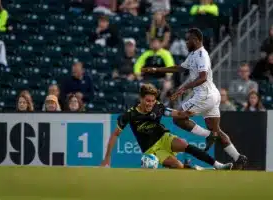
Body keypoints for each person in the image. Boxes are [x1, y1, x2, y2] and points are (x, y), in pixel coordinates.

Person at [141, 28, 248, 169]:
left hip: (204, 95)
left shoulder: (202, 55)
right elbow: (179, 68)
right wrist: (156, 70)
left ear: (196, 40)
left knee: (178, 118)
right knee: (217, 130)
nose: (186, 42)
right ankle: (238, 157)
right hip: (212, 95)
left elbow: (202, 77)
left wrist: (183, 88)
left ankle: (210, 135)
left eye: (188, 39)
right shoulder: (193, 54)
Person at [101, 84, 233, 170]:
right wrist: (107, 158)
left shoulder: (158, 106)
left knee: (183, 144)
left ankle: (218, 165)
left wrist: (185, 113)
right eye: (147, 101)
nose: (150, 104)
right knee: (178, 166)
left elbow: (173, 113)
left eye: (153, 101)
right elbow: (115, 135)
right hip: (152, 149)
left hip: (164, 137)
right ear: (140, 99)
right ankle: (196, 169)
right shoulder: (129, 115)